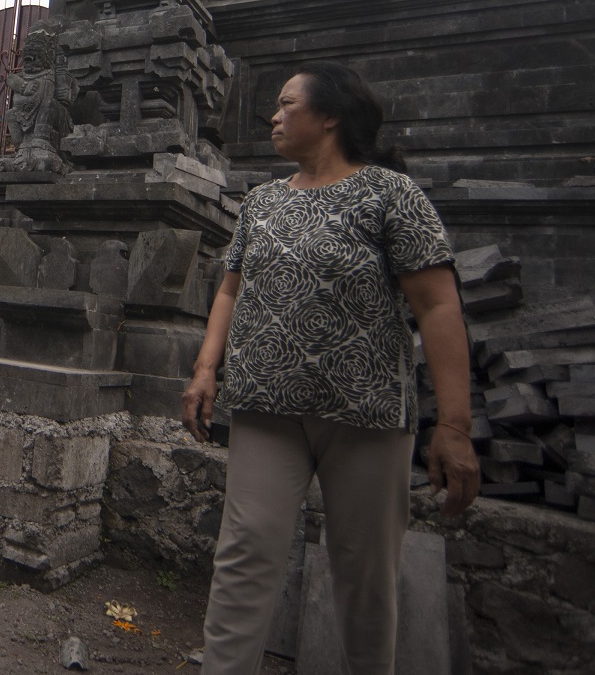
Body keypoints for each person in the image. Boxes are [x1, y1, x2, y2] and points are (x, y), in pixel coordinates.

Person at [181, 61, 479, 675]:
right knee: (243, 558)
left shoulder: (391, 194)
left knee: (365, 578)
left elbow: (437, 302)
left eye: (288, 104)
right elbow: (230, 290)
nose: (274, 115)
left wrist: (454, 425)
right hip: (267, 410)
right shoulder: (262, 201)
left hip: (365, 417)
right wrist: (206, 368)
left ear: (331, 115)